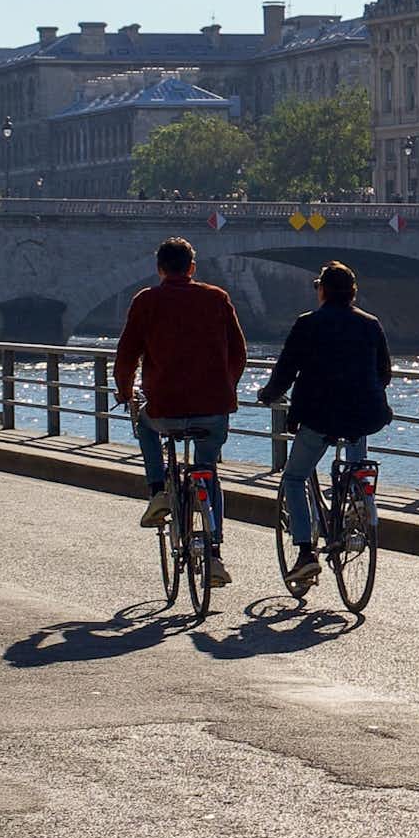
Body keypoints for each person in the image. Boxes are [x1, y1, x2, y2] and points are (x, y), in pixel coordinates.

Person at [253, 261, 393, 595]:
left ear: (322, 291)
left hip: (320, 415)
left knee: (294, 477)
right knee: (356, 447)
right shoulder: (371, 324)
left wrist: (268, 394)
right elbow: (384, 372)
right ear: (353, 293)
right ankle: (359, 493)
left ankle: (304, 552)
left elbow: (286, 370)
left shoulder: (308, 324)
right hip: (365, 414)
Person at [113, 237, 247, 584]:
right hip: (213, 409)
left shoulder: (147, 301)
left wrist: (125, 391)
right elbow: (239, 352)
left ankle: (158, 490)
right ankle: (214, 554)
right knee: (208, 472)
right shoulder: (217, 298)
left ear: (159, 269)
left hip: (164, 405)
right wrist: (225, 388)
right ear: (192, 267)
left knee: (143, 424)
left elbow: (127, 355)